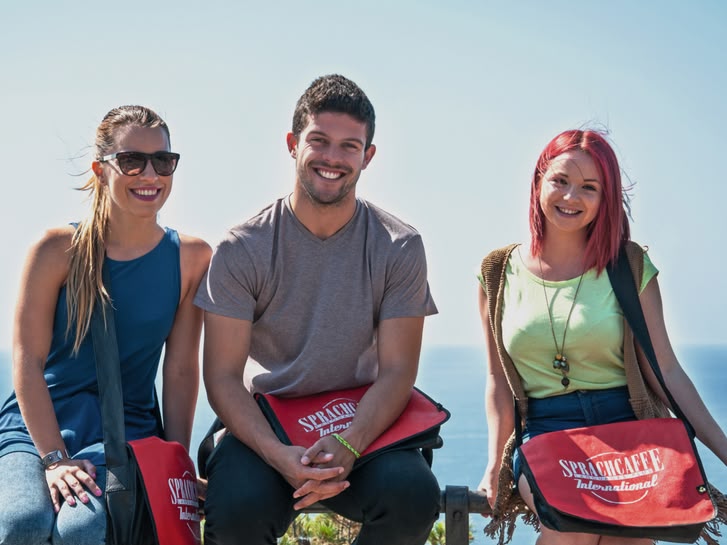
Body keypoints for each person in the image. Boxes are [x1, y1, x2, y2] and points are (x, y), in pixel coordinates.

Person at [195, 74, 440, 545]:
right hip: (267, 422)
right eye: (319, 141)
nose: (333, 158)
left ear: (368, 156)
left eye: (350, 146)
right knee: (235, 511)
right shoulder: (243, 247)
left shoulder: (399, 245)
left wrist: (349, 443)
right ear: (292, 144)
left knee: (412, 495)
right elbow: (223, 378)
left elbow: (396, 371)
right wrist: (275, 454)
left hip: (359, 419)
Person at [477, 129, 727, 545]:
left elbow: (666, 370)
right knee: (570, 529)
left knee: (628, 535)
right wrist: (492, 466)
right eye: (560, 181)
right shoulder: (497, 271)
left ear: (605, 198)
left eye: (589, 188)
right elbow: (497, 382)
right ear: (539, 180)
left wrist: (724, 450)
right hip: (546, 429)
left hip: (627, 427)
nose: (571, 197)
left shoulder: (629, 265)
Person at [0, 105, 211, 545]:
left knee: (82, 526)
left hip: (125, 432)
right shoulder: (56, 250)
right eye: (132, 160)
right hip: (36, 425)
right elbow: (27, 362)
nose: (150, 174)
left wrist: (176, 465)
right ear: (101, 169)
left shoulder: (191, 258)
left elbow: (180, 372)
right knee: (22, 522)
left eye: (163, 161)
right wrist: (54, 459)